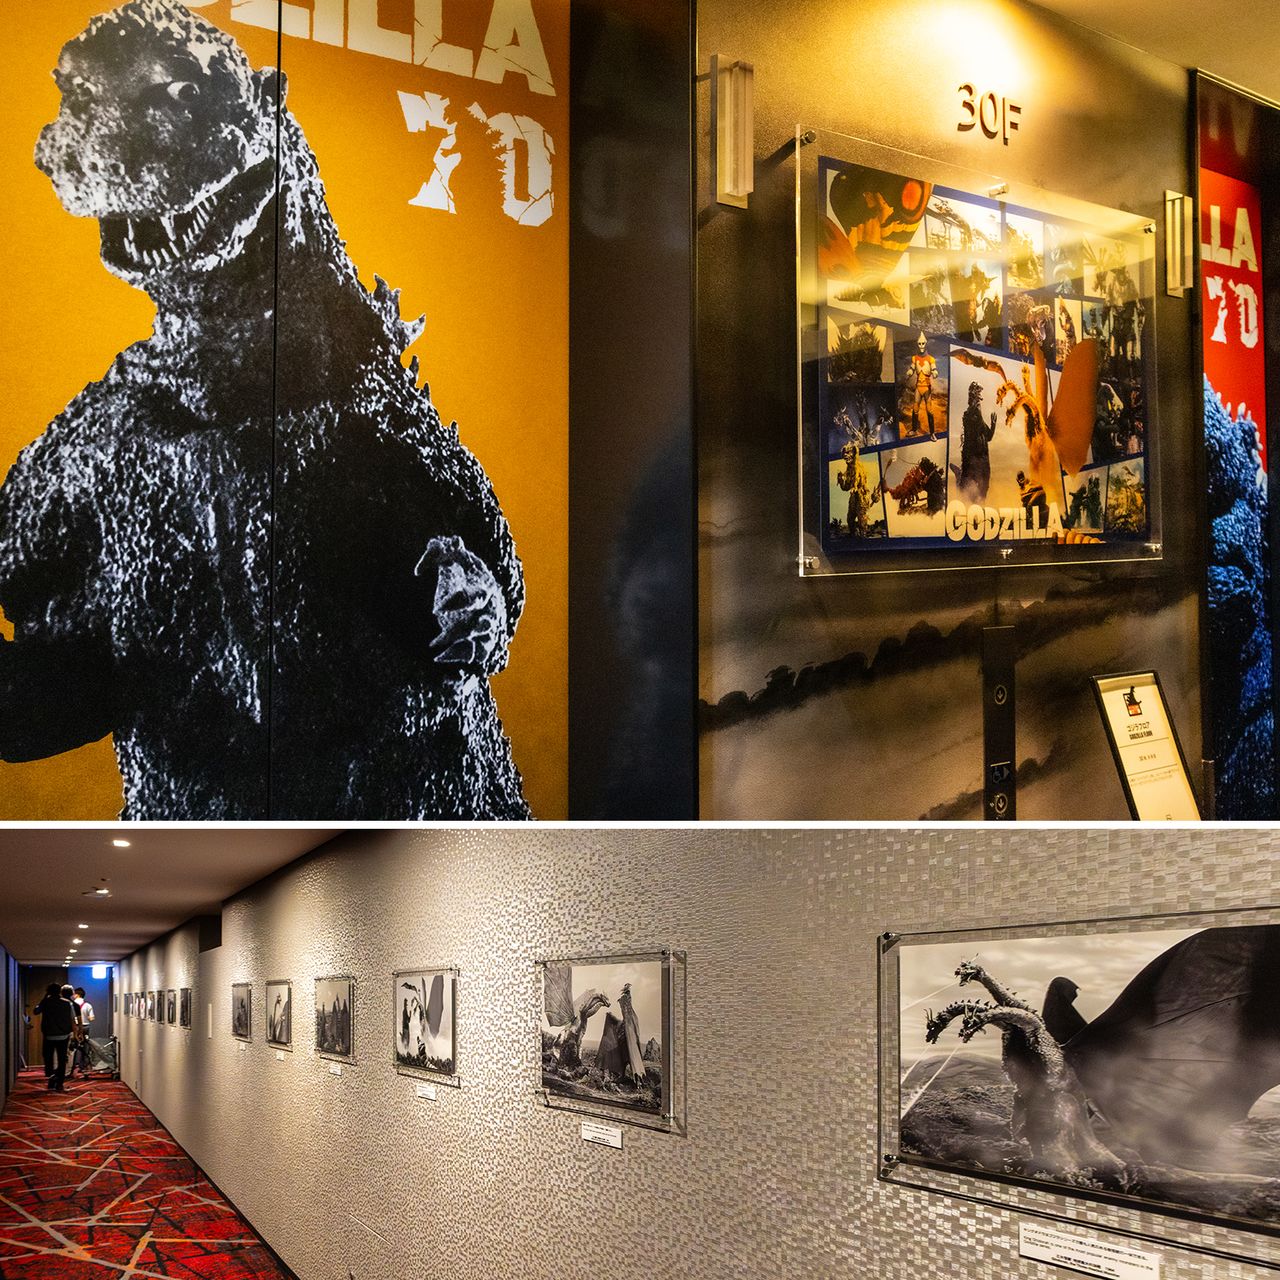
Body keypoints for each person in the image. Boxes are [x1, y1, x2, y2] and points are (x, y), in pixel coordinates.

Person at [32, 983, 75, 1091]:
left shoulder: (45, 1002)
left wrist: (44, 998)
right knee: (62, 1059)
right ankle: (59, 1082)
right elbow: (72, 1019)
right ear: (60, 992)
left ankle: (51, 1076)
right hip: (63, 1035)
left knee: (48, 1057)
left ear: (48, 992)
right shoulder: (67, 1003)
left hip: (49, 1035)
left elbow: (36, 1011)